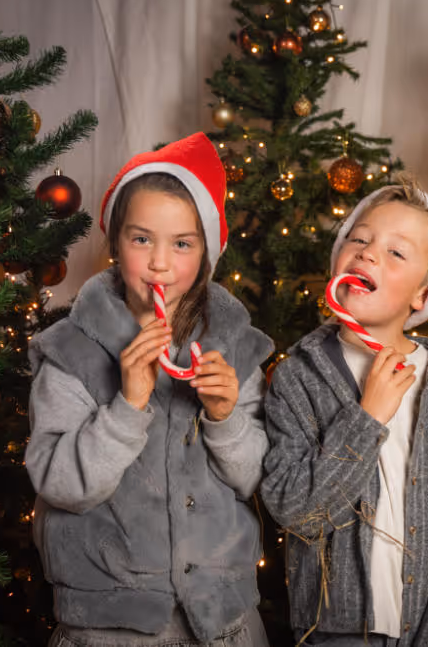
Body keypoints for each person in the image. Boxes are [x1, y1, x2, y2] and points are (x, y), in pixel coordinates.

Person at [25, 133, 273, 647]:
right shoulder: (70, 352)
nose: (160, 263)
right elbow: (62, 486)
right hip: (107, 624)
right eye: (142, 240)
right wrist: (128, 405)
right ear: (115, 243)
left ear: (206, 254)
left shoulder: (236, 350)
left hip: (223, 620)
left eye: (182, 243)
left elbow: (256, 482)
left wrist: (226, 418)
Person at [260, 179, 428, 646]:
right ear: (338, 258)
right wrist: (366, 418)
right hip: (335, 632)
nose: (368, 254)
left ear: (422, 294)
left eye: (396, 253)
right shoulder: (298, 378)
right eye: (359, 239)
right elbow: (296, 511)